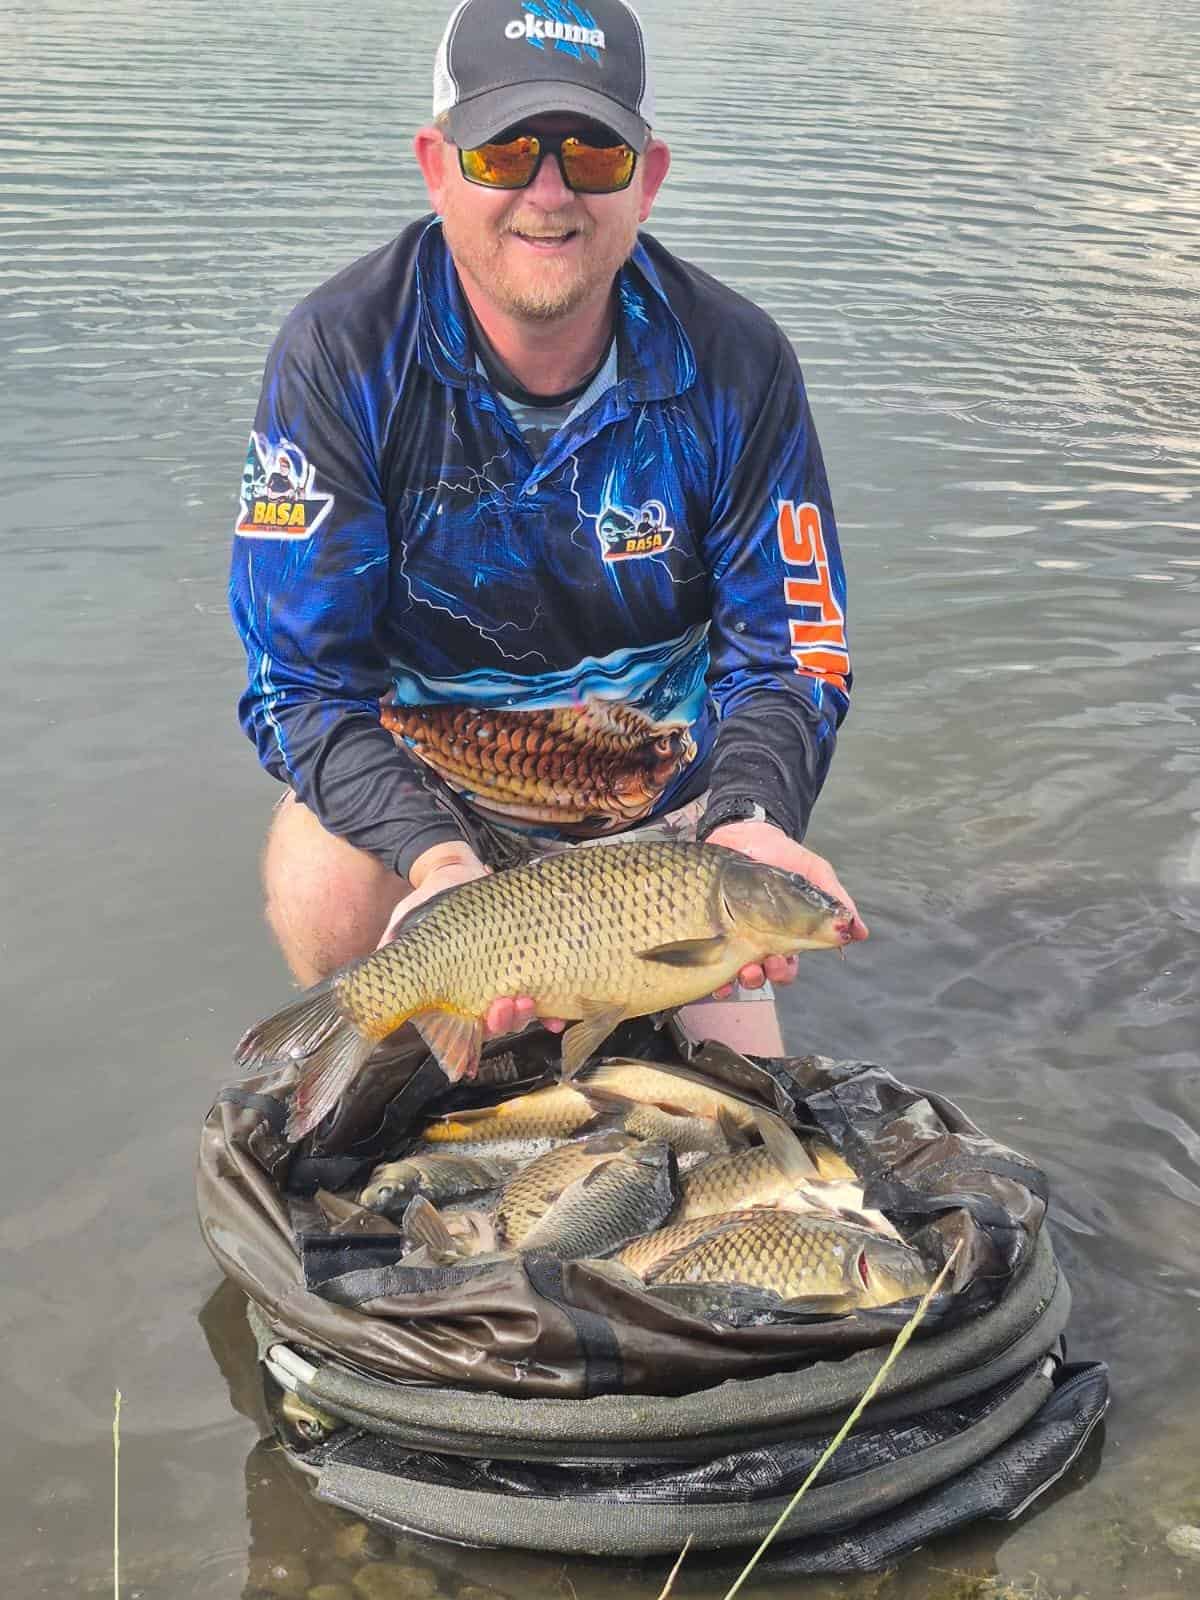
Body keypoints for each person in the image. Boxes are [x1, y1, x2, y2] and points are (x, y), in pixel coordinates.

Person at [229, 0, 868, 1061]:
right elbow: (300, 688)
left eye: (594, 155)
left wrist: (750, 819)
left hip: (666, 832)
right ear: (437, 168)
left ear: (647, 180)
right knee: (321, 881)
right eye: (505, 150)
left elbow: (791, 656)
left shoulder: (739, 364)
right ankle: (391, 1042)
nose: (550, 192)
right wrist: (437, 863)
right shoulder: (342, 357)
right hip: (436, 808)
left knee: (736, 1095)